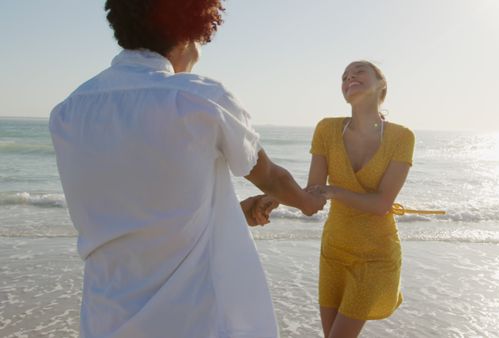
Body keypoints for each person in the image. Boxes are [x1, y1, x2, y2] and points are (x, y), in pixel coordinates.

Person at [48, 1, 325, 337]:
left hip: (105, 318)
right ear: (188, 32)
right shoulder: (200, 98)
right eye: (201, 41)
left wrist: (232, 213)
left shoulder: (68, 111)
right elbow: (270, 176)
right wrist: (307, 203)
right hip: (193, 318)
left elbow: (135, 213)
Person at [308, 61, 415, 337]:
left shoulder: (402, 137)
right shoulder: (326, 129)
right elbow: (312, 195)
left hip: (375, 256)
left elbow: (381, 204)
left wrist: (334, 192)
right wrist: (274, 195)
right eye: (344, 76)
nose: (349, 77)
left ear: (381, 85)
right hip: (333, 252)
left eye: (358, 72)